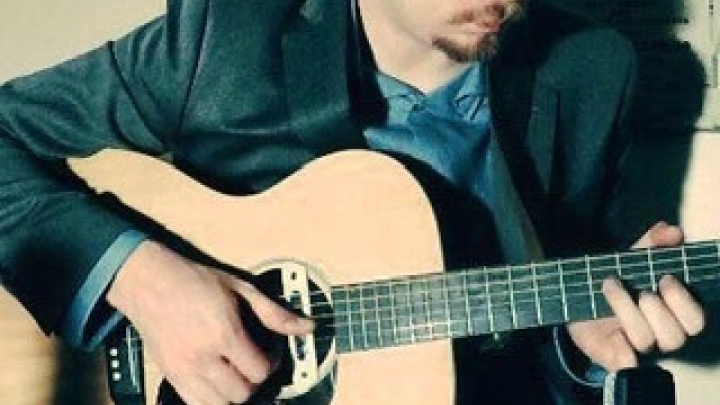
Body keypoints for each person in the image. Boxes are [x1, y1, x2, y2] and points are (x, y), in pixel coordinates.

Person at [0, 0, 707, 404]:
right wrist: (143, 280)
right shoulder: (223, 42)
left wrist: (578, 351)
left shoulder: (591, 72)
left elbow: (544, 328)